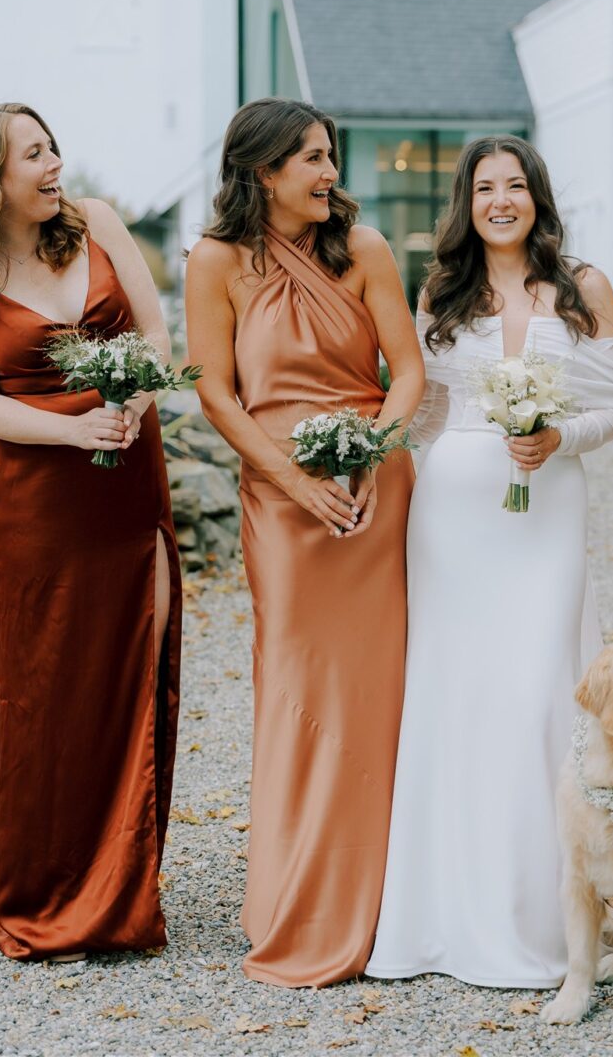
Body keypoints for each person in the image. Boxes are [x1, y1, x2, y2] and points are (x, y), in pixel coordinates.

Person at [0, 102, 179, 961]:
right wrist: (74, 428)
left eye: (54, 145)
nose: (55, 162)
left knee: (143, 655)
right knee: (55, 683)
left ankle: (126, 885)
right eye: (34, 153)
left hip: (130, 472)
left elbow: (159, 335)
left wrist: (132, 398)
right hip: (40, 496)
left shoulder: (96, 222)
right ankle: (48, 892)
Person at [365, 137, 613, 988]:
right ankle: (444, 916)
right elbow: (428, 406)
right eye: (486, 187)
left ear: (538, 196)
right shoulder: (440, 288)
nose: (502, 200)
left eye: (516, 185)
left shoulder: (587, 286)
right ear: (466, 202)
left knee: (536, 694)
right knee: (458, 698)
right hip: (453, 511)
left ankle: (551, 917)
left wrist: (558, 438)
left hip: (548, 505)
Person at [183, 98, 423, 987]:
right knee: (293, 686)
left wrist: (370, 457)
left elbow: (409, 375)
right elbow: (216, 394)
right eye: (312, 159)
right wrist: (292, 481)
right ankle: (292, 896)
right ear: (262, 172)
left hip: (371, 493)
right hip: (281, 502)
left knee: (379, 688)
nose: (330, 173)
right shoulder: (214, 261)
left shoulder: (365, 251)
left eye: (330, 156)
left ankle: (390, 897)